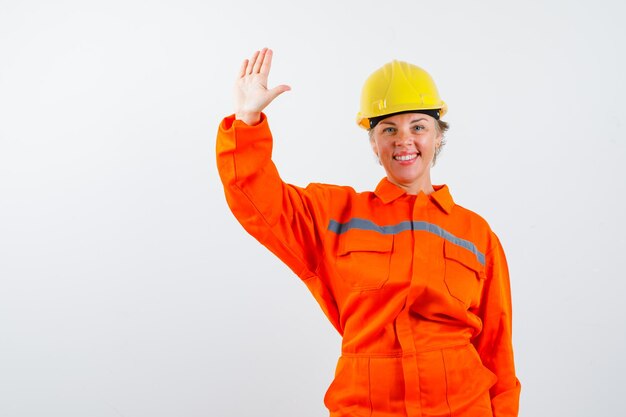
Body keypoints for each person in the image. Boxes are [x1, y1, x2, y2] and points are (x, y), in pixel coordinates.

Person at [216, 48, 521, 417]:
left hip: (462, 407)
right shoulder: (335, 215)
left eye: (418, 127)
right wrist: (247, 120)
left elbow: (497, 349)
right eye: (388, 129)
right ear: (374, 144)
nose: (403, 140)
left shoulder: (476, 233)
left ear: (438, 136)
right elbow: (255, 200)